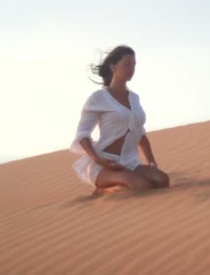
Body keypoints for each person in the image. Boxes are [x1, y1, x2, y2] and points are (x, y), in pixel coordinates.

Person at [70, 45, 170, 195]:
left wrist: (151, 161)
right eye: (127, 64)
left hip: (130, 162)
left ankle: (121, 182)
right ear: (113, 66)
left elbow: (140, 133)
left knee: (162, 180)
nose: (132, 68)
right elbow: (82, 135)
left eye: (134, 65)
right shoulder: (98, 98)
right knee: (142, 186)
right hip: (104, 165)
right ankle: (104, 189)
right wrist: (98, 160)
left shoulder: (134, 98)